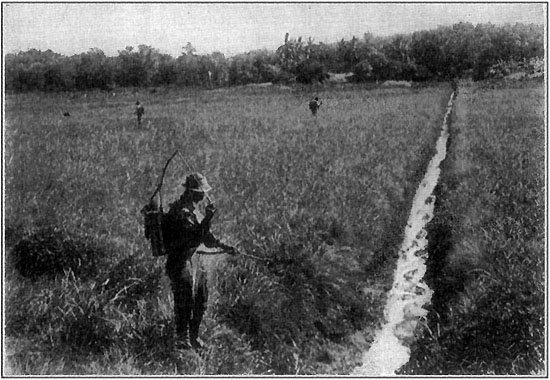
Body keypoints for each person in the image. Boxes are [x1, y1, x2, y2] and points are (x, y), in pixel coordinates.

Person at [162, 173, 237, 350]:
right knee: (185, 299)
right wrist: (209, 218)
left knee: (201, 299)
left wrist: (225, 247)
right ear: (191, 192)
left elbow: (207, 238)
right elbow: (194, 236)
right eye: (200, 192)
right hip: (180, 262)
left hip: (194, 261)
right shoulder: (180, 212)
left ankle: (193, 338)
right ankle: (182, 340)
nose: (204, 195)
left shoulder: (194, 211)